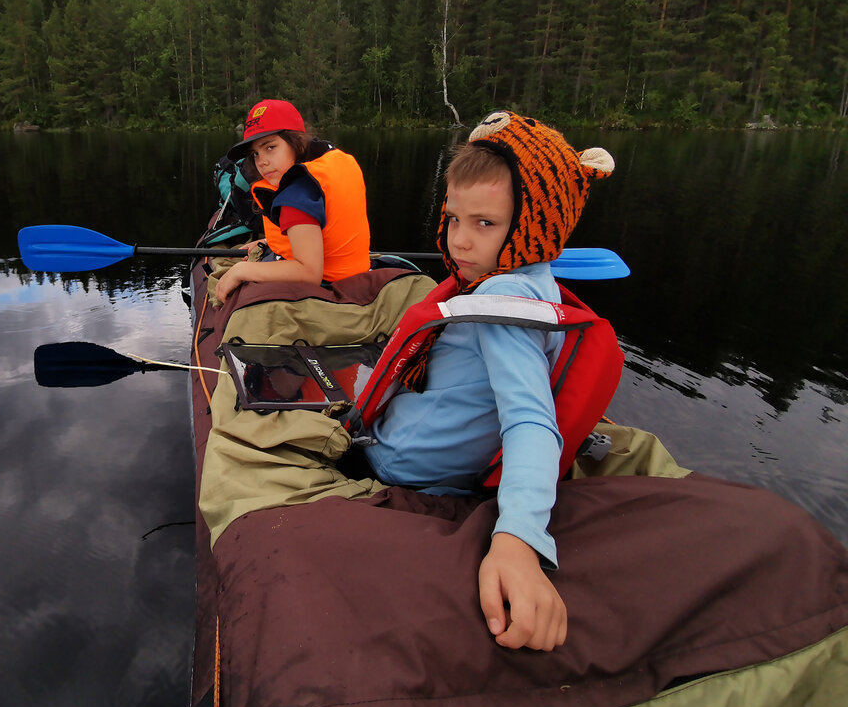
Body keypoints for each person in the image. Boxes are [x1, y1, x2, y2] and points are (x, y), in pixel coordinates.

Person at [363, 110, 615, 652]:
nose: (460, 241)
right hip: (440, 462)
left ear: (531, 225)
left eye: (485, 224)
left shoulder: (504, 305)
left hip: (404, 471)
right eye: (454, 219)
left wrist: (519, 538)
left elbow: (530, 419)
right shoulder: (532, 281)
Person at [213, 99, 371, 304]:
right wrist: (269, 242)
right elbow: (323, 231)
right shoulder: (328, 168)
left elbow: (309, 273)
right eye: (255, 154)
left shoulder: (295, 196)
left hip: (327, 285)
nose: (262, 161)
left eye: (270, 147)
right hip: (354, 276)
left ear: (296, 141)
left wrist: (241, 270)